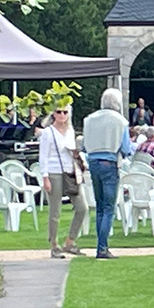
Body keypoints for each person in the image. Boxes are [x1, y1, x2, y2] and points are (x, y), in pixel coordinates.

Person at [82, 89, 134, 260]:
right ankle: (102, 248)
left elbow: (83, 145)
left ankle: (101, 245)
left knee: (99, 207)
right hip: (110, 163)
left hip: (93, 163)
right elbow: (126, 148)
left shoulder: (89, 120)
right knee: (108, 208)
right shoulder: (120, 121)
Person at [39, 104, 88, 259]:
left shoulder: (70, 131)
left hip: (70, 171)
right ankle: (54, 245)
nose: (61, 115)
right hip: (54, 172)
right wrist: (45, 177)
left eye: (64, 112)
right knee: (55, 211)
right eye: (58, 112)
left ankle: (70, 241)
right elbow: (43, 156)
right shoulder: (48, 133)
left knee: (82, 208)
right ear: (53, 114)